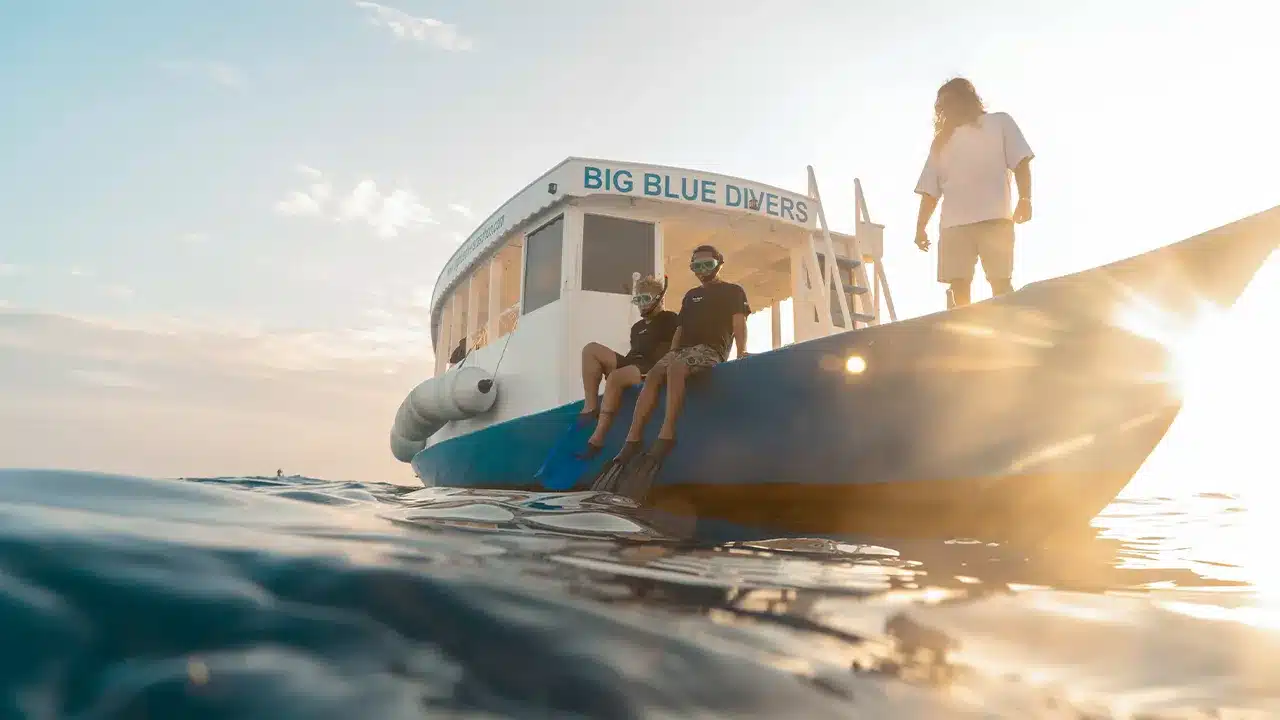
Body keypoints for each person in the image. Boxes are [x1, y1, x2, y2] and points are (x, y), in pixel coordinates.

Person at [597, 245, 751, 482]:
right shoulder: (690, 295)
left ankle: (667, 433)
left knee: (677, 368)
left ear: (719, 264)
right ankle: (633, 439)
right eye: (695, 266)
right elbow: (680, 329)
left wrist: (742, 352)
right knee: (658, 372)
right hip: (682, 350)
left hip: (709, 349)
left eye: (706, 265)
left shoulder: (733, 291)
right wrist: (670, 354)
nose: (701, 270)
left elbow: (739, 323)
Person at [913, 77, 1035, 308]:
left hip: (995, 218)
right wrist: (920, 227)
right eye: (941, 106)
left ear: (966, 99)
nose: (946, 109)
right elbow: (930, 190)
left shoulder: (999, 122)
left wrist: (1025, 199)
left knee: (1000, 283)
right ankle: (964, 338)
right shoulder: (941, 142)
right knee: (959, 287)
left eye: (949, 102)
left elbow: (1021, 161)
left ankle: (1006, 330)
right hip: (954, 225)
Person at [577, 275, 679, 455]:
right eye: (637, 300)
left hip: (652, 366)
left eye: (645, 299)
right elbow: (633, 355)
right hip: (633, 363)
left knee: (616, 377)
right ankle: (590, 407)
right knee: (590, 349)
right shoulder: (637, 327)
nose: (641, 304)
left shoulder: (670, 319)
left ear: (659, 299)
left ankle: (597, 439)